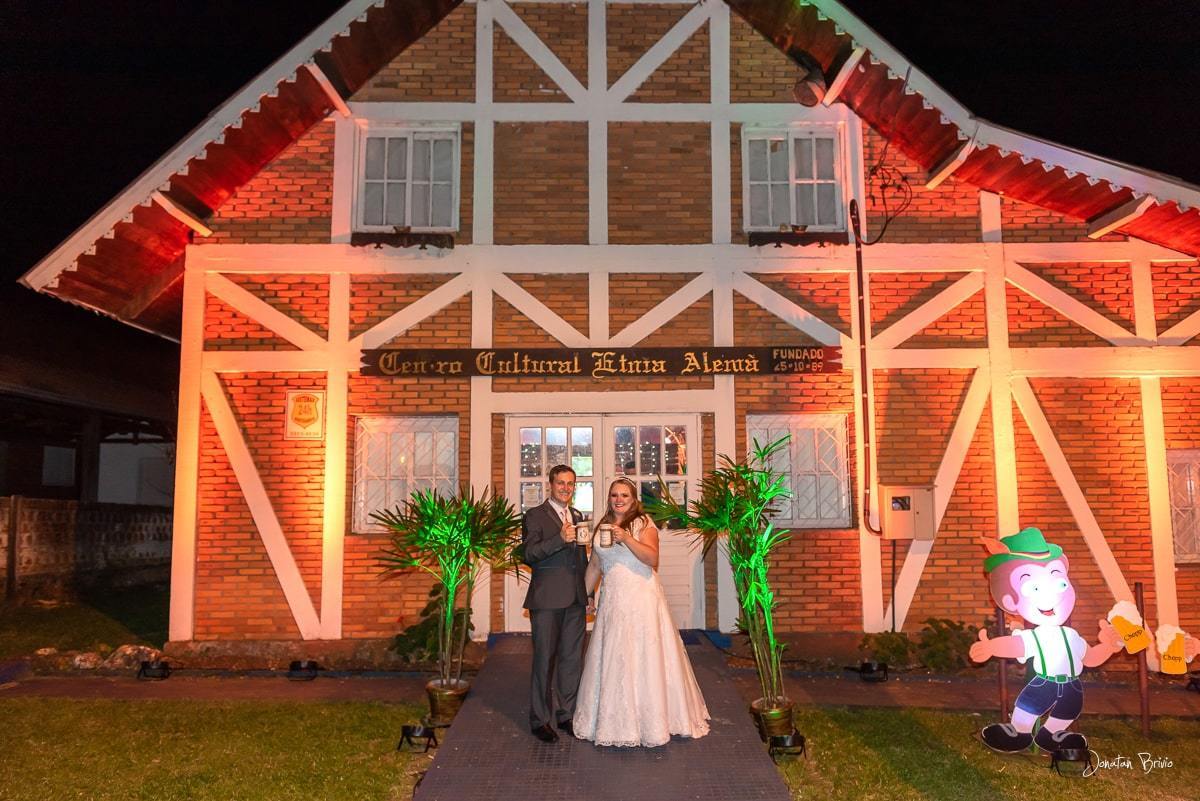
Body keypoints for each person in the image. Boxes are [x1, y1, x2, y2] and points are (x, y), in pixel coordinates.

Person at [573, 476, 710, 747]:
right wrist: (585, 595)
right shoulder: (603, 525)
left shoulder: (643, 523)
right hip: (613, 601)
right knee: (615, 656)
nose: (619, 500)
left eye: (624, 495)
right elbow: (595, 565)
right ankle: (614, 720)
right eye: (614, 495)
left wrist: (626, 538)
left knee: (642, 656)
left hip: (640, 599)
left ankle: (651, 722)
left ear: (633, 499)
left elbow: (652, 558)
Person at [969, 527, 1122, 754]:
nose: (1050, 596)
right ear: (1011, 600)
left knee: (1067, 712)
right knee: (1028, 708)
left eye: (1060, 584)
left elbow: (1089, 657)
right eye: (1035, 588)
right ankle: (1019, 733)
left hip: (1072, 687)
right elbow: (1017, 646)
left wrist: (1108, 647)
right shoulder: (1037, 635)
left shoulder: (1071, 636)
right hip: (1044, 684)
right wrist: (991, 647)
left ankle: (1052, 735)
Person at [522, 464, 588, 743]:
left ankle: (566, 715)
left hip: (575, 599)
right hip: (547, 599)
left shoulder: (577, 515)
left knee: (572, 661)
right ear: (550, 484)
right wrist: (559, 539)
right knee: (544, 660)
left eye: (570, 483)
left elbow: (581, 558)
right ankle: (539, 720)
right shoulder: (534, 515)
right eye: (561, 483)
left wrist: (587, 592)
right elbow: (529, 553)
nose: (566, 488)